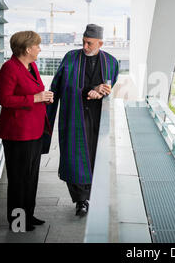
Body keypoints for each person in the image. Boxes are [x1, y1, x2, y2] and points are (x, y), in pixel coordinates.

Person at [43, 24, 119, 216]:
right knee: (74, 157)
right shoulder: (70, 57)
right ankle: (81, 200)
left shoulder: (111, 62)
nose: (85, 46)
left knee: (95, 155)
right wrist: (87, 90)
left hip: (97, 115)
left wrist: (100, 92)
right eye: (83, 42)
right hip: (74, 113)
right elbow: (58, 86)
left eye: (89, 43)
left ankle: (94, 194)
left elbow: (110, 85)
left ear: (100, 43)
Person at [0, 31, 53, 231]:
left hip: (34, 131)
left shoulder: (32, 66)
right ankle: (18, 222)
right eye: (37, 45)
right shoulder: (9, 68)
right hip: (18, 134)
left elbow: (34, 91)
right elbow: (4, 100)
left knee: (31, 177)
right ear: (28, 49)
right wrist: (35, 98)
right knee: (19, 180)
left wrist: (44, 97)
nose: (39, 49)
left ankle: (28, 215)